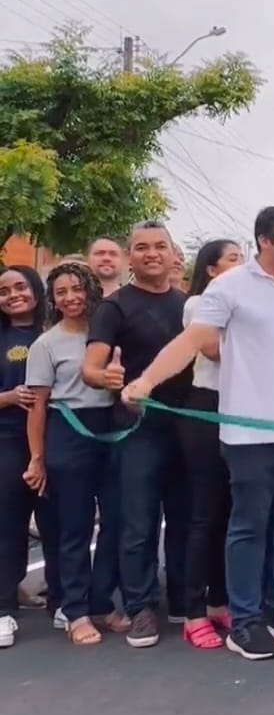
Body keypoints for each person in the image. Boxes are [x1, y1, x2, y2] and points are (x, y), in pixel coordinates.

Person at [122, 206, 274, 662]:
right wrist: (146, 381)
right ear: (264, 240)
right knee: (249, 529)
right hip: (248, 436)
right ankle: (246, 621)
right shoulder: (230, 287)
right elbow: (191, 342)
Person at [83, 221, 190, 648]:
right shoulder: (115, 307)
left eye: (159, 246)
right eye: (141, 248)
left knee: (185, 519)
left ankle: (183, 599)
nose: (151, 254)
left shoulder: (189, 306)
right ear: (130, 257)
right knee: (139, 523)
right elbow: (90, 368)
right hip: (136, 429)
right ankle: (140, 606)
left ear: (171, 253)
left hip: (188, 427)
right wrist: (105, 377)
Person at [24, 262, 126, 646]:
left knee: (117, 521)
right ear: (52, 299)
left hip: (111, 429)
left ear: (90, 289)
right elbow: (37, 407)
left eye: (76, 288)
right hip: (67, 432)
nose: (70, 298)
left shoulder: (107, 334)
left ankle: (101, 602)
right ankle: (75, 610)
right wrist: (37, 458)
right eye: (61, 292)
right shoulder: (45, 345)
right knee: (75, 528)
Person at [176, 239, 244, 649]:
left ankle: (219, 601)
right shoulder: (197, 304)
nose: (243, 266)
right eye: (234, 259)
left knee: (228, 512)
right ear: (212, 270)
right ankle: (192, 610)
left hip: (241, 407)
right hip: (206, 408)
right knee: (203, 514)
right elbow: (212, 350)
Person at [0, 266, 58, 648]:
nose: (13, 294)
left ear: (37, 290)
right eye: (4, 290)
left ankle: (65, 600)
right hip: (8, 444)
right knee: (8, 526)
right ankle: (4, 608)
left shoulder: (55, 332)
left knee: (60, 525)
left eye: (21, 286)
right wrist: (6, 399)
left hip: (57, 443)